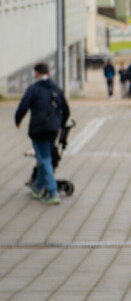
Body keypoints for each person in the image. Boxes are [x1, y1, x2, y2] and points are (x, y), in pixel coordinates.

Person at [15, 63, 70, 205]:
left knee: (44, 159)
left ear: (37, 73)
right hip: (53, 130)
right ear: (49, 73)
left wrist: (18, 120)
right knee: (43, 158)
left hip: (38, 130)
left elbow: (23, 106)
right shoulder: (56, 89)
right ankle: (37, 188)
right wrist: (60, 124)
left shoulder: (34, 89)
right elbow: (66, 110)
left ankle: (53, 192)